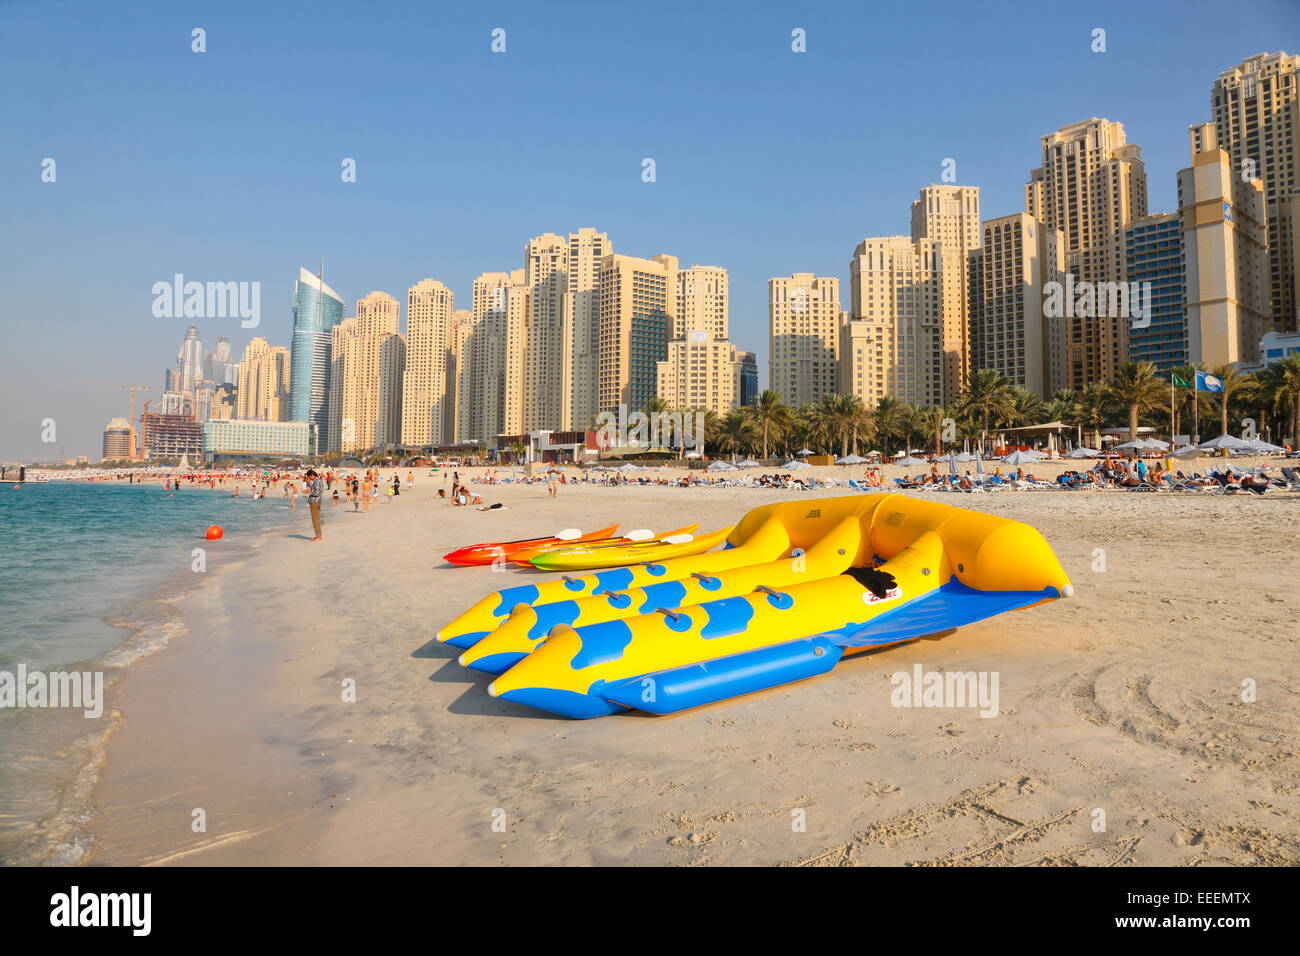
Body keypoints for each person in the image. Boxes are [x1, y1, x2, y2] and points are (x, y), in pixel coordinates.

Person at [305, 469, 324, 541]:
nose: (309, 479)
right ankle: (318, 535)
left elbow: (316, 492)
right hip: (316, 501)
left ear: (312, 475)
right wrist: (309, 483)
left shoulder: (317, 481)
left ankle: (318, 536)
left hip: (315, 502)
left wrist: (309, 491)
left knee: (315, 519)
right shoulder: (317, 480)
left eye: (309, 477)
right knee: (316, 519)